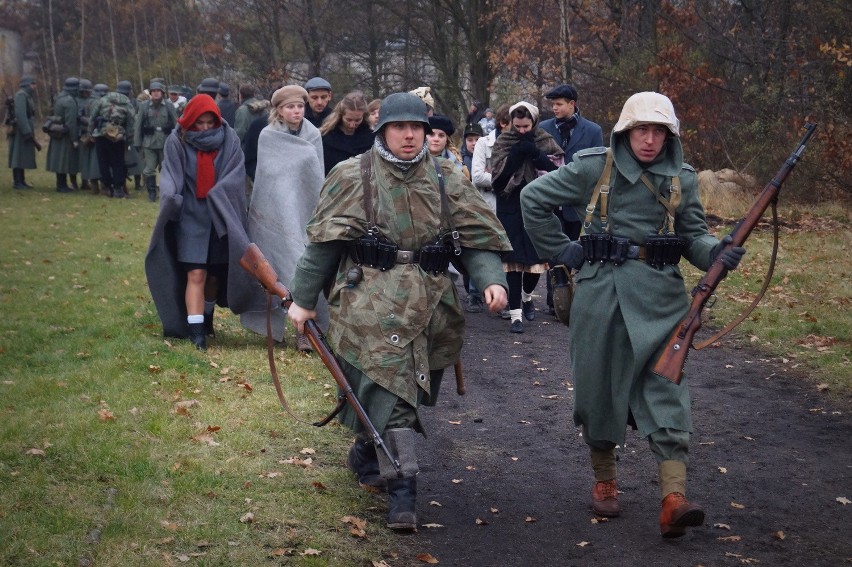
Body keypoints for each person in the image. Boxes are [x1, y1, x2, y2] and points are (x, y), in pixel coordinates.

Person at [520, 91, 746, 538]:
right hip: (600, 292)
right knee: (597, 388)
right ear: (626, 132)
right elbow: (533, 198)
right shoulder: (593, 167)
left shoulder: (682, 178)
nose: (649, 140)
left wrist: (717, 253)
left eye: (659, 131)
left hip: (661, 300)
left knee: (666, 388)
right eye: (642, 130)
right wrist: (561, 250)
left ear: (669, 136)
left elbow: (693, 237)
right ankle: (605, 480)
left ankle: (673, 497)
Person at [286, 92, 511, 530]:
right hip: (368, 297)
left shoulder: (447, 175)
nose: (410, 136)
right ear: (383, 130)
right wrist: (302, 299)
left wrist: (492, 280)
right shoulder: (353, 175)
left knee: (406, 390)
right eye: (399, 127)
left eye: (417, 128)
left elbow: (474, 239)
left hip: (430, 302)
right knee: (392, 391)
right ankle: (403, 491)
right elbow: (323, 246)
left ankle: (367, 449)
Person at [145, 94, 262, 350]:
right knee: (196, 274)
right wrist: (170, 197)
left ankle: (207, 318)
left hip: (220, 216)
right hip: (190, 219)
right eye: (200, 123)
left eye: (211, 122)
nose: (206, 127)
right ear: (190, 121)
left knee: (213, 277)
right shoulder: (176, 141)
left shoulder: (229, 138)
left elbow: (235, 172)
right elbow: (170, 174)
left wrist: (219, 193)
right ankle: (196, 331)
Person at [239, 85, 326, 351]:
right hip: (275, 211)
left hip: (305, 212)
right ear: (279, 110)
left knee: (305, 269)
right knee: (278, 269)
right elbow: (268, 177)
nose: (296, 111)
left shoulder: (313, 134)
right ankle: (281, 329)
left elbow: (315, 175)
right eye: (290, 107)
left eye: (300, 106)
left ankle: (306, 331)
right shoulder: (268, 136)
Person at [490, 101, 563, 333]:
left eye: (526, 126)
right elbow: (497, 180)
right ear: (512, 123)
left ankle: (527, 296)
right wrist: (515, 156)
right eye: (518, 126)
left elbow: (558, 174)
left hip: (537, 205)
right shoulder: (504, 142)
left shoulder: (545, 140)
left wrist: (535, 154)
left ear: (534, 122)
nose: (522, 131)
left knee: (535, 260)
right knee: (512, 262)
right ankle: (515, 317)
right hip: (509, 205)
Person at [539, 84, 604, 315]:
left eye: (558, 104)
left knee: (579, 249)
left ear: (572, 104)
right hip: (551, 200)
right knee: (554, 249)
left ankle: (578, 296)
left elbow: (599, 167)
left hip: (580, 203)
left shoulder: (593, 130)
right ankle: (554, 300)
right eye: (552, 104)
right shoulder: (543, 128)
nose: (554, 108)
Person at [88, 82, 136, 198]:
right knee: (117, 163)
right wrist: (129, 140)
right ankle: (118, 189)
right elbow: (131, 123)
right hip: (117, 136)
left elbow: (92, 117)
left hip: (101, 134)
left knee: (103, 162)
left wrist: (90, 133)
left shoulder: (103, 99)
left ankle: (108, 187)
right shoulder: (127, 103)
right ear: (128, 91)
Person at [134, 81, 178, 202]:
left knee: (165, 169)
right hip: (149, 142)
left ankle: (165, 191)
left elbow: (176, 123)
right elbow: (138, 125)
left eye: (158, 91)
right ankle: (152, 193)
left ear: (162, 93)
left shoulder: (169, 106)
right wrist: (137, 142)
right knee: (149, 168)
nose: (156, 93)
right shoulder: (144, 106)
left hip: (165, 141)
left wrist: (178, 141)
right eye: (153, 91)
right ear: (151, 93)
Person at [319, 91, 375, 175]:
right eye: (348, 120)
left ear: (363, 116)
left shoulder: (372, 139)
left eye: (357, 120)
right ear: (341, 116)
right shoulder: (325, 137)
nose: (352, 125)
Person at [45, 77, 81, 193]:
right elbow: (71, 123)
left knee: (60, 160)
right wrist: (74, 139)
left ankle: (61, 184)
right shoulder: (69, 101)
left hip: (57, 133)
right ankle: (62, 185)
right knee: (64, 160)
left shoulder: (59, 98)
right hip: (65, 134)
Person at [8, 75, 40, 190]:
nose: (35, 86)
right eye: (32, 84)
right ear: (27, 85)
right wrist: (27, 131)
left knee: (22, 156)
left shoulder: (27, 96)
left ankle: (21, 180)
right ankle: (17, 181)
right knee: (18, 155)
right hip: (20, 131)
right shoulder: (21, 95)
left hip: (24, 129)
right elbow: (21, 114)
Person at [76, 79, 102, 194]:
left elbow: (80, 117)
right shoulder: (95, 102)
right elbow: (79, 117)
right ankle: (92, 184)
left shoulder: (90, 102)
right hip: (92, 134)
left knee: (90, 160)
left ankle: (93, 184)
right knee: (93, 161)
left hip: (91, 133)